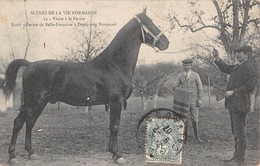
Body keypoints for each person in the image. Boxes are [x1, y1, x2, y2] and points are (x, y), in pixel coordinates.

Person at [213, 46, 257, 165]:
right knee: (236, 131)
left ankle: (240, 159)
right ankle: (236, 156)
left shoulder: (249, 68)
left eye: (239, 53)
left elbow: (250, 87)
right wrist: (217, 58)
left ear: (246, 54)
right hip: (234, 105)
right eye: (237, 53)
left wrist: (233, 92)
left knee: (240, 133)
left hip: (241, 105)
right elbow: (227, 68)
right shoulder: (239, 65)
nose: (237, 55)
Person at [173, 58, 203, 142]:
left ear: (191, 66)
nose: (186, 67)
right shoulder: (180, 76)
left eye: (188, 65)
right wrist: (182, 92)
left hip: (193, 99)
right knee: (183, 118)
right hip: (184, 101)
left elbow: (200, 87)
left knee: (194, 118)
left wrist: (200, 99)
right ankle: (184, 137)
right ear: (183, 66)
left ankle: (197, 137)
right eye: (185, 65)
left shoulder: (195, 75)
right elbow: (174, 87)